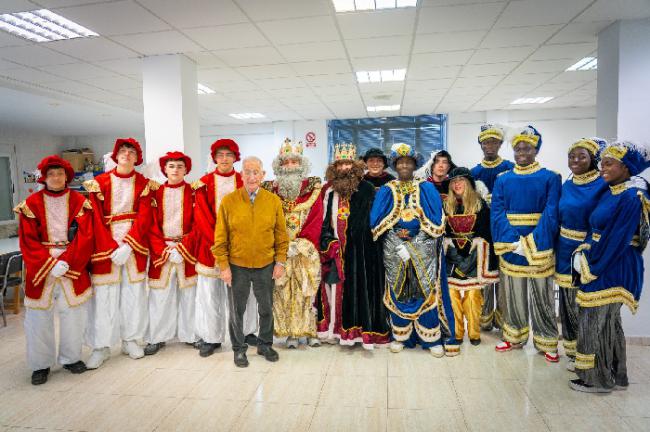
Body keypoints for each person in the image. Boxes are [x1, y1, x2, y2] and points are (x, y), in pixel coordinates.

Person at [569, 141, 650, 393]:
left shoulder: (632, 196)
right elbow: (594, 228)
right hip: (599, 257)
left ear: (626, 168)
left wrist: (591, 266)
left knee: (594, 321)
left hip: (614, 264)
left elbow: (617, 240)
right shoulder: (612, 189)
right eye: (602, 163)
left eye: (609, 163)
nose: (602, 168)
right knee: (608, 321)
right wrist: (584, 249)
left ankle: (596, 379)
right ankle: (616, 374)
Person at [370, 143, 458, 357]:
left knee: (425, 289)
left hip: (424, 246)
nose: (404, 166)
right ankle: (401, 336)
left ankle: (431, 339)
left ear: (414, 165)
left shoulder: (426, 188)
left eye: (408, 162)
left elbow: (437, 221)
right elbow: (376, 222)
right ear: (395, 166)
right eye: (400, 163)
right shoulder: (387, 190)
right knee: (398, 290)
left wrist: (417, 240)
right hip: (394, 248)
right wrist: (396, 239)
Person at [15, 156, 94, 385]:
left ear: (67, 176)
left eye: (60, 174)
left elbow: (86, 236)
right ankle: (40, 365)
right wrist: (50, 263)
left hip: (72, 264)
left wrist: (67, 261)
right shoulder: (31, 203)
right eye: (51, 174)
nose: (56, 178)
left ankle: (71, 358)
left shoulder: (80, 201)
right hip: (42, 268)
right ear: (44, 178)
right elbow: (27, 241)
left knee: (74, 316)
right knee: (39, 318)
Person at [491, 126, 561, 362]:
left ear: (536, 150)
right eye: (518, 148)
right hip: (511, 246)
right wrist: (513, 241)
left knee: (543, 296)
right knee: (513, 295)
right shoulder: (503, 179)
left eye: (527, 147)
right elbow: (498, 212)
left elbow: (551, 213)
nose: (521, 151)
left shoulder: (551, 177)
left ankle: (547, 340)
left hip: (539, 244)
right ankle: (514, 336)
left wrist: (532, 242)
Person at [83, 138, 154, 369]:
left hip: (134, 248)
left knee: (133, 296)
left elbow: (145, 217)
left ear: (137, 157)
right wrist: (112, 247)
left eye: (131, 152)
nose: (126, 154)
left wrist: (128, 245)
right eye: (122, 151)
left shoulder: (144, 183)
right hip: (106, 248)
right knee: (103, 298)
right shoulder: (99, 182)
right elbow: (94, 218)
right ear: (115, 155)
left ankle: (131, 339)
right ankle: (100, 346)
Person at [213, 156, 289, 367]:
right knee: (237, 310)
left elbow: (281, 236)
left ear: (263, 175)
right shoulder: (229, 201)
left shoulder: (273, 201)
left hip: (266, 265)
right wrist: (224, 266)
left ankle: (265, 344)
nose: (252, 176)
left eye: (256, 172)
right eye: (248, 172)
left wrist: (280, 262)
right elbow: (220, 238)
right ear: (241, 175)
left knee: (266, 308)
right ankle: (239, 349)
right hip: (237, 266)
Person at [317, 143, 390, 349]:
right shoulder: (328, 191)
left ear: (355, 165)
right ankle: (339, 331)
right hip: (337, 251)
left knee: (362, 291)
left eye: (348, 164)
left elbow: (374, 219)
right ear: (335, 167)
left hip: (363, 252)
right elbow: (322, 222)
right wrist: (329, 242)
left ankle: (361, 333)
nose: (345, 168)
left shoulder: (366, 188)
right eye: (341, 164)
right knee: (337, 291)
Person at [192, 139, 258, 357]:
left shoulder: (245, 181)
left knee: (244, 292)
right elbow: (201, 217)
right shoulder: (203, 183)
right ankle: (211, 338)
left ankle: (247, 332)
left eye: (229, 154)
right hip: (210, 247)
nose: (224, 159)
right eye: (220, 154)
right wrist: (220, 246)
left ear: (235, 157)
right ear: (214, 158)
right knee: (211, 294)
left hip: (241, 247)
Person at [262, 139, 323, 349]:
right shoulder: (269, 189)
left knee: (307, 291)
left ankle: (309, 331)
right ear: (279, 166)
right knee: (282, 292)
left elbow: (316, 218)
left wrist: (301, 244)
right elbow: (266, 220)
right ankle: (289, 333)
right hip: (280, 252)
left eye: (294, 162)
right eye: (286, 162)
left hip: (306, 251)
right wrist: (281, 244)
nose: (290, 166)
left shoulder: (314, 188)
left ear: (302, 164)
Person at [555, 138, 608, 370]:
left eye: (581, 157)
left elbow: (600, 222)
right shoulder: (567, 184)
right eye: (571, 156)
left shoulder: (601, 186)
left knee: (583, 304)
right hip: (563, 250)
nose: (575, 161)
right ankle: (573, 351)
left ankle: (589, 355)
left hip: (584, 253)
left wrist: (586, 248)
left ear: (593, 160)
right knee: (566, 303)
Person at [145, 152, 199, 355]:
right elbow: (150, 225)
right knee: (160, 296)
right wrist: (165, 249)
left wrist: (183, 248)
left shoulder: (194, 192)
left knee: (189, 295)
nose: (175, 170)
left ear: (186, 170)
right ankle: (158, 337)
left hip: (187, 251)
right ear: (164, 169)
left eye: (179, 166)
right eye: (171, 166)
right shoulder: (156, 193)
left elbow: (198, 224)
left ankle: (190, 335)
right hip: (163, 251)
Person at [444, 167, 498, 346]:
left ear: (468, 183)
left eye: (461, 180)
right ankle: (457, 333)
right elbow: (444, 235)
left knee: (473, 295)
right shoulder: (446, 206)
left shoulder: (481, 205)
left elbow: (485, 235)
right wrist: (455, 257)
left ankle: (474, 333)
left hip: (475, 259)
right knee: (451, 295)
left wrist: (467, 261)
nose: (457, 184)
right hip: (452, 259)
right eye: (453, 181)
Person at [470, 124, 515, 331]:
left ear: (500, 144)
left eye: (494, 142)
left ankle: (504, 320)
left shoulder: (509, 168)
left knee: (505, 280)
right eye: (486, 142)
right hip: (483, 232)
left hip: (505, 230)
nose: (490, 146)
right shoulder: (474, 172)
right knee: (485, 277)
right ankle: (484, 319)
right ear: (481, 144)